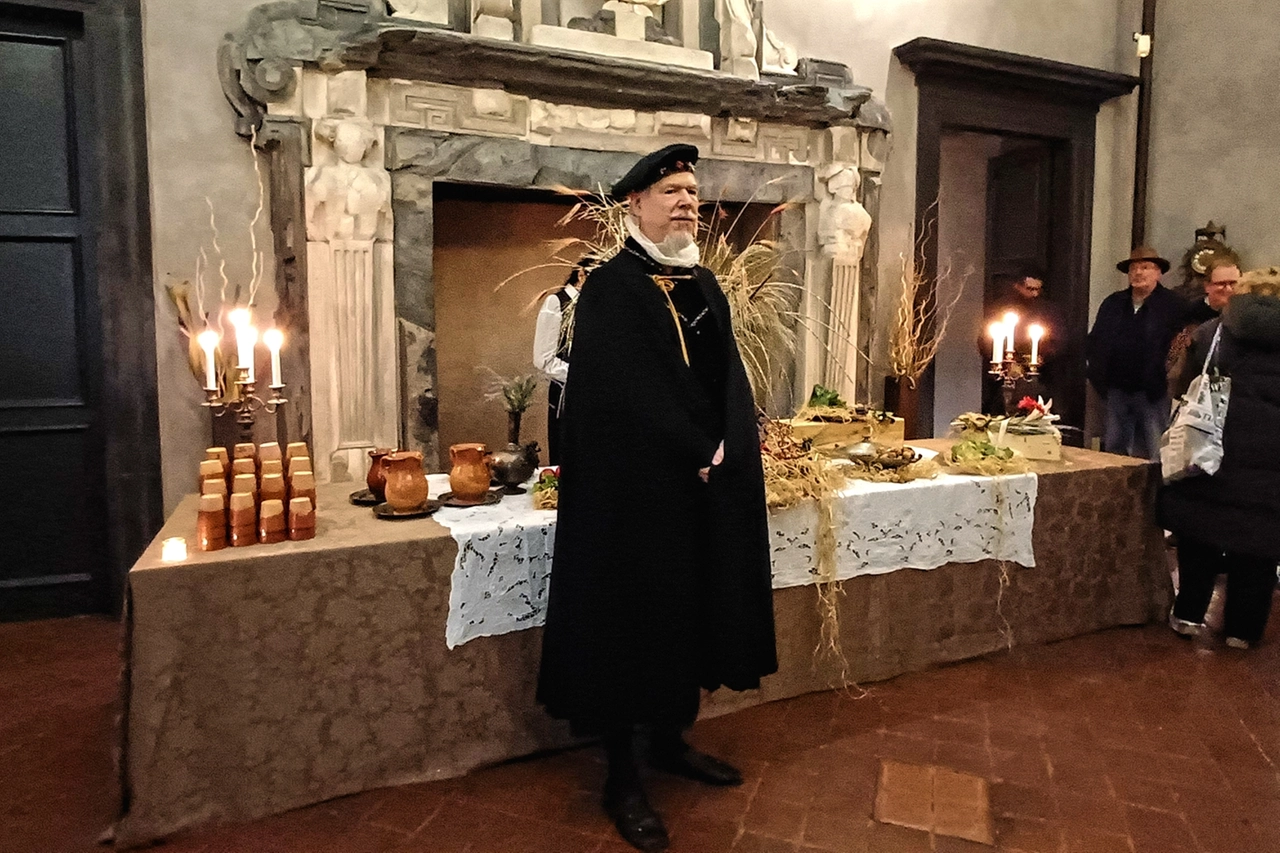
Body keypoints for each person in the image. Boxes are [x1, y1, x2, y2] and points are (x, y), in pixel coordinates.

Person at [536, 144, 777, 852]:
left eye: (693, 193)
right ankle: (622, 776)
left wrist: (731, 442)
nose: (685, 202)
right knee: (629, 627)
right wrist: (695, 450)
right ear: (635, 203)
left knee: (689, 617)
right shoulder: (612, 288)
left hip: (702, 494)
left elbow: (727, 378)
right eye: (671, 190)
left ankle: (671, 740)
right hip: (634, 502)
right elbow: (622, 396)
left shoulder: (703, 283)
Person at [1158, 267, 1280, 649]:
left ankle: (1189, 614)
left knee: (1200, 532)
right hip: (1271, 464)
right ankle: (1242, 631)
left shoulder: (1213, 332)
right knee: (1258, 545)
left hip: (1211, 449)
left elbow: (1180, 382)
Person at [1086, 246, 1189, 459]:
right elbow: (1097, 339)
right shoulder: (1113, 303)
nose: (1138, 273)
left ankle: (1153, 492)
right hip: (1116, 388)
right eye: (1134, 268)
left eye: (1145, 267)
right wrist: (1097, 373)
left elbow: (1181, 343)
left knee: (1155, 448)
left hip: (1154, 390)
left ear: (1158, 273)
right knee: (1114, 447)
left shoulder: (1173, 305)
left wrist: (1165, 374)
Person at [531, 258, 591, 464]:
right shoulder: (557, 302)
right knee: (568, 453)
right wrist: (583, 375)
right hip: (567, 393)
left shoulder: (598, 307)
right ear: (581, 274)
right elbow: (544, 359)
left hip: (597, 395)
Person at [982, 266, 1065, 413]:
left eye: (1038, 289)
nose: (1034, 294)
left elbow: (1058, 340)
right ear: (1017, 286)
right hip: (1004, 375)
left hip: (1041, 375)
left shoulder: (1048, 310)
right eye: (1029, 289)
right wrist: (1005, 361)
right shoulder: (1000, 308)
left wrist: (1042, 355)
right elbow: (986, 340)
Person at [1166, 256, 1240, 399]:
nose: (1229, 289)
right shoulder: (1188, 315)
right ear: (1207, 286)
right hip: (1197, 394)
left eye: (1233, 283)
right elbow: (1175, 359)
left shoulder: (1246, 318)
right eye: (1221, 284)